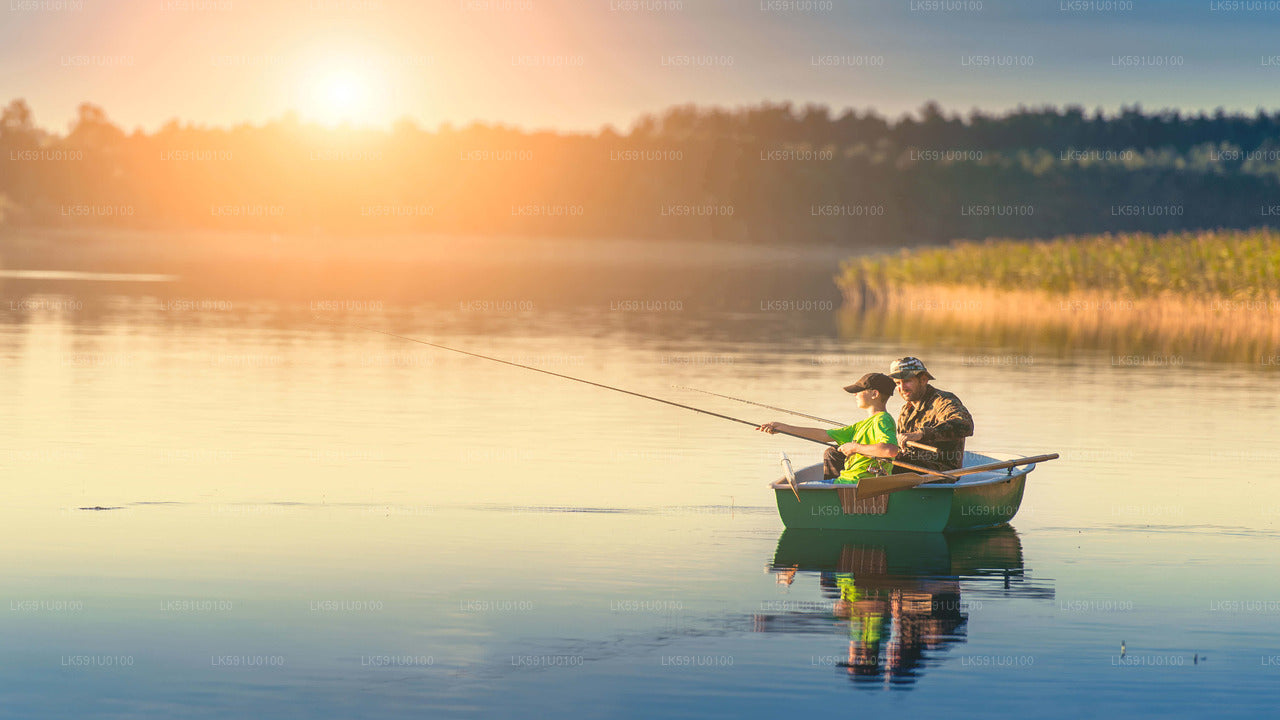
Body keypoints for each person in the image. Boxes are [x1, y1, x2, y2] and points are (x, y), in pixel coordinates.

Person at [757, 373, 899, 484]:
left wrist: (855, 447)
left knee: (806, 487)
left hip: (856, 484)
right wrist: (781, 427)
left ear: (875, 394)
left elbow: (890, 450)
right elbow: (823, 435)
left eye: (859, 391)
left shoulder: (882, 420)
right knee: (808, 484)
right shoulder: (861, 425)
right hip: (845, 481)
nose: (855, 394)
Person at [888, 357, 973, 472]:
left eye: (907, 381)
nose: (902, 388)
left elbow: (965, 425)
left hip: (942, 471)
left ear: (923, 380)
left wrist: (921, 434)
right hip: (911, 467)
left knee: (891, 467)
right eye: (897, 383)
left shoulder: (943, 400)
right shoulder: (906, 410)